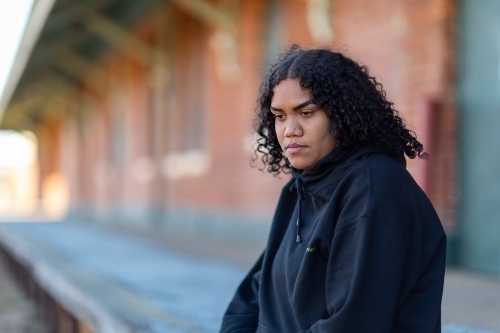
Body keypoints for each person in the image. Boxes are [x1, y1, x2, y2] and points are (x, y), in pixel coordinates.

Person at [220, 45, 447, 333]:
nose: (290, 130)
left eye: (306, 112)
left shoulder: (374, 189)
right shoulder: (300, 188)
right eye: (280, 116)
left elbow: (352, 323)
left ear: (342, 114)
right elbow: (253, 297)